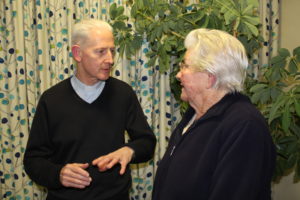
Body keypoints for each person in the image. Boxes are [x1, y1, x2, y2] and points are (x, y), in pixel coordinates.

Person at [23, 19, 156, 200]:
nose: (110, 59)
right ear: (78, 53)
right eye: (101, 51)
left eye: (112, 51)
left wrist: (129, 151)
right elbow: (33, 160)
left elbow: (147, 142)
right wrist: (58, 174)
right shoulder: (51, 100)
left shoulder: (123, 93)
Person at [152, 28, 276, 200]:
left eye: (185, 66)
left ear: (209, 78)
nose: (179, 75)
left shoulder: (245, 126)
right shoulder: (193, 115)